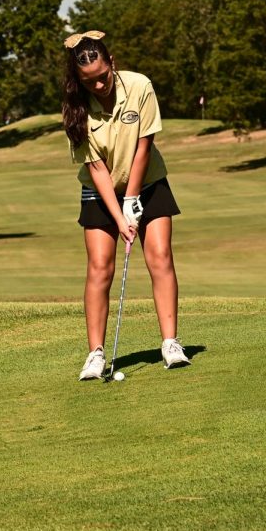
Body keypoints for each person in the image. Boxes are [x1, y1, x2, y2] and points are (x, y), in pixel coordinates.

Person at [61, 30, 191, 381]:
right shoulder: (75, 109)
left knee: (160, 256)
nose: (99, 86)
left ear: (112, 63)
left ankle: (170, 344)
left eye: (103, 77)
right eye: (89, 82)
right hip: (99, 190)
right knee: (100, 267)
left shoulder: (139, 86)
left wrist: (132, 198)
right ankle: (96, 354)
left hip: (148, 181)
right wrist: (119, 216)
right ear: (78, 80)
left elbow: (144, 146)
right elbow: (97, 169)